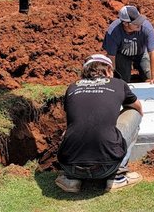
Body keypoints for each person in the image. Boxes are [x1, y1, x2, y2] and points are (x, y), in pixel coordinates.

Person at [55, 54, 144, 193]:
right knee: (134, 112)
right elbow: (138, 107)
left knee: (74, 127)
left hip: (69, 167)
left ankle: (71, 180)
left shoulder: (72, 87)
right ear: (109, 69)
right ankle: (118, 176)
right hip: (107, 167)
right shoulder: (118, 84)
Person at [103, 5, 154, 84]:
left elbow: (152, 52)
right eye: (136, 22)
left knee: (148, 78)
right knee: (123, 81)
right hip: (122, 55)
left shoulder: (146, 27)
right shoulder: (113, 32)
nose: (140, 23)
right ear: (125, 23)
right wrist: (111, 78)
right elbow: (111, 57)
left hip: (141, 53)